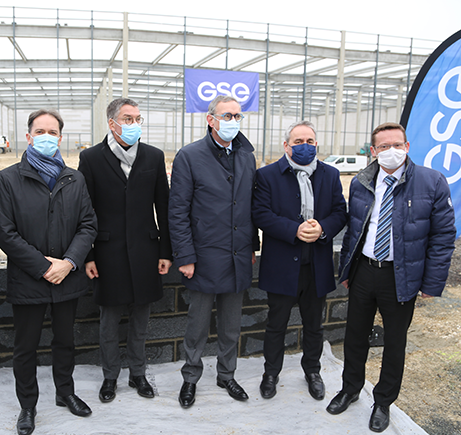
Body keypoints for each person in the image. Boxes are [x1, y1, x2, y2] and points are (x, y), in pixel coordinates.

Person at [327, 122, 456, 433]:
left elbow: (443, 236)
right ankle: (351, 388)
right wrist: (347, 270)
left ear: (407, 147)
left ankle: (383, 401)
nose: (391, 151)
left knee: (394, 342)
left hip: (401, 276)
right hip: (364, 272)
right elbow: (354, 231)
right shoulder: (361, 182)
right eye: (383, 147)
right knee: (355, 335)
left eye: (396, 144)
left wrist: (432, 282)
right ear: (374, 151)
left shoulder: (431, 182)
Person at [0, 109, 97, 435]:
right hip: (29, 279)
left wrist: (68, 262)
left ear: (60, 138)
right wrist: (43, 266)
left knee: (65, 340)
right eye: (40, 131)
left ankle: (65, 392)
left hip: (68, 276)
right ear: (28, 136)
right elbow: (5, 233)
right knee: (26, 346)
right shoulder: (8, 179)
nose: (47, 137)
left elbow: (88, 224)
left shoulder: (74, 178)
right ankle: (28, 405)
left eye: (53, 132)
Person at [78, 98, 172, 403]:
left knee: (141, 318)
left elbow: (164, 207)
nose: (134, 125)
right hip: (108, 253)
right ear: (112, 123)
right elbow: (85, 210)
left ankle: (138, 373)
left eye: (138, 119)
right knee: (109, 320)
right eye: (127, 119)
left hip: (146, 250)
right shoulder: (91, 158)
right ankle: (110, 377)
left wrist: (165, 252)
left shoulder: (153, 157)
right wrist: (89, 255)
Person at [169, 95, 259, 408]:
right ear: (211, 119)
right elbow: (177, 211)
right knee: (197, 325)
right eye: (227, 115)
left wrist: (253, 247)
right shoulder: (190, 156)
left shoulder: (247, 156)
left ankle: (226, 374)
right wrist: (186, 256)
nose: (233, 120)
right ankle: (190, 377)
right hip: (204, 255)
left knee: (231, 324)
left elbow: (250, 205)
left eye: (237, 115)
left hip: (238, 253)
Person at [252, 120, 347, 401]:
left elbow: (341, 211)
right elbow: (260, 214)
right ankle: (271, 373)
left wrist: (323, 228)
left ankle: (313, 371)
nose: (305, 146)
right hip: (282, 263)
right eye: (298, 142)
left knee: (314, 325)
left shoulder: (330, 175)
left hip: (316, 264)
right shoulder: (267, 175)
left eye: (310, 141)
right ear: (286, 146)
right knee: (276, 324)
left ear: (316, 144)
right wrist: (294, 229)